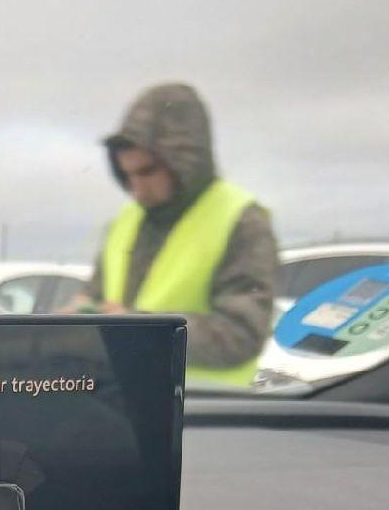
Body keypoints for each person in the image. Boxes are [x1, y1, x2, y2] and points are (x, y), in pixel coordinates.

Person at [72, 82, 278, 386]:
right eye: (127, 175)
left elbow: (241, 333)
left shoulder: (242, 220)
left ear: (183, 161)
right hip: (127, 399)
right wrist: (78, 313)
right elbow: (96, 295)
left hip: (206, 406)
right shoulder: (126, 221)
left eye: (147, 172)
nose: (136, 189)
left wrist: (136, 330)